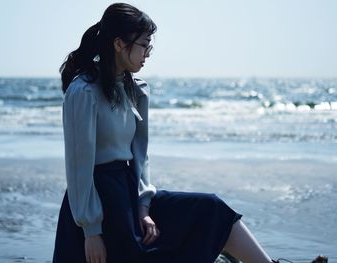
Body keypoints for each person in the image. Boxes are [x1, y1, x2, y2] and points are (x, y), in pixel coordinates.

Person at [52, 3, 285, 263]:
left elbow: (141, 155)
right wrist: (91, 231)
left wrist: (144, 207)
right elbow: (78, 166)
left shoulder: (137, 90)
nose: (147, 54)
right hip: (96, 202)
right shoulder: (82, 91)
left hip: (129, 194)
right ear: (119, 44)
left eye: (149, 46)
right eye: (144, 45)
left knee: (211, 209)